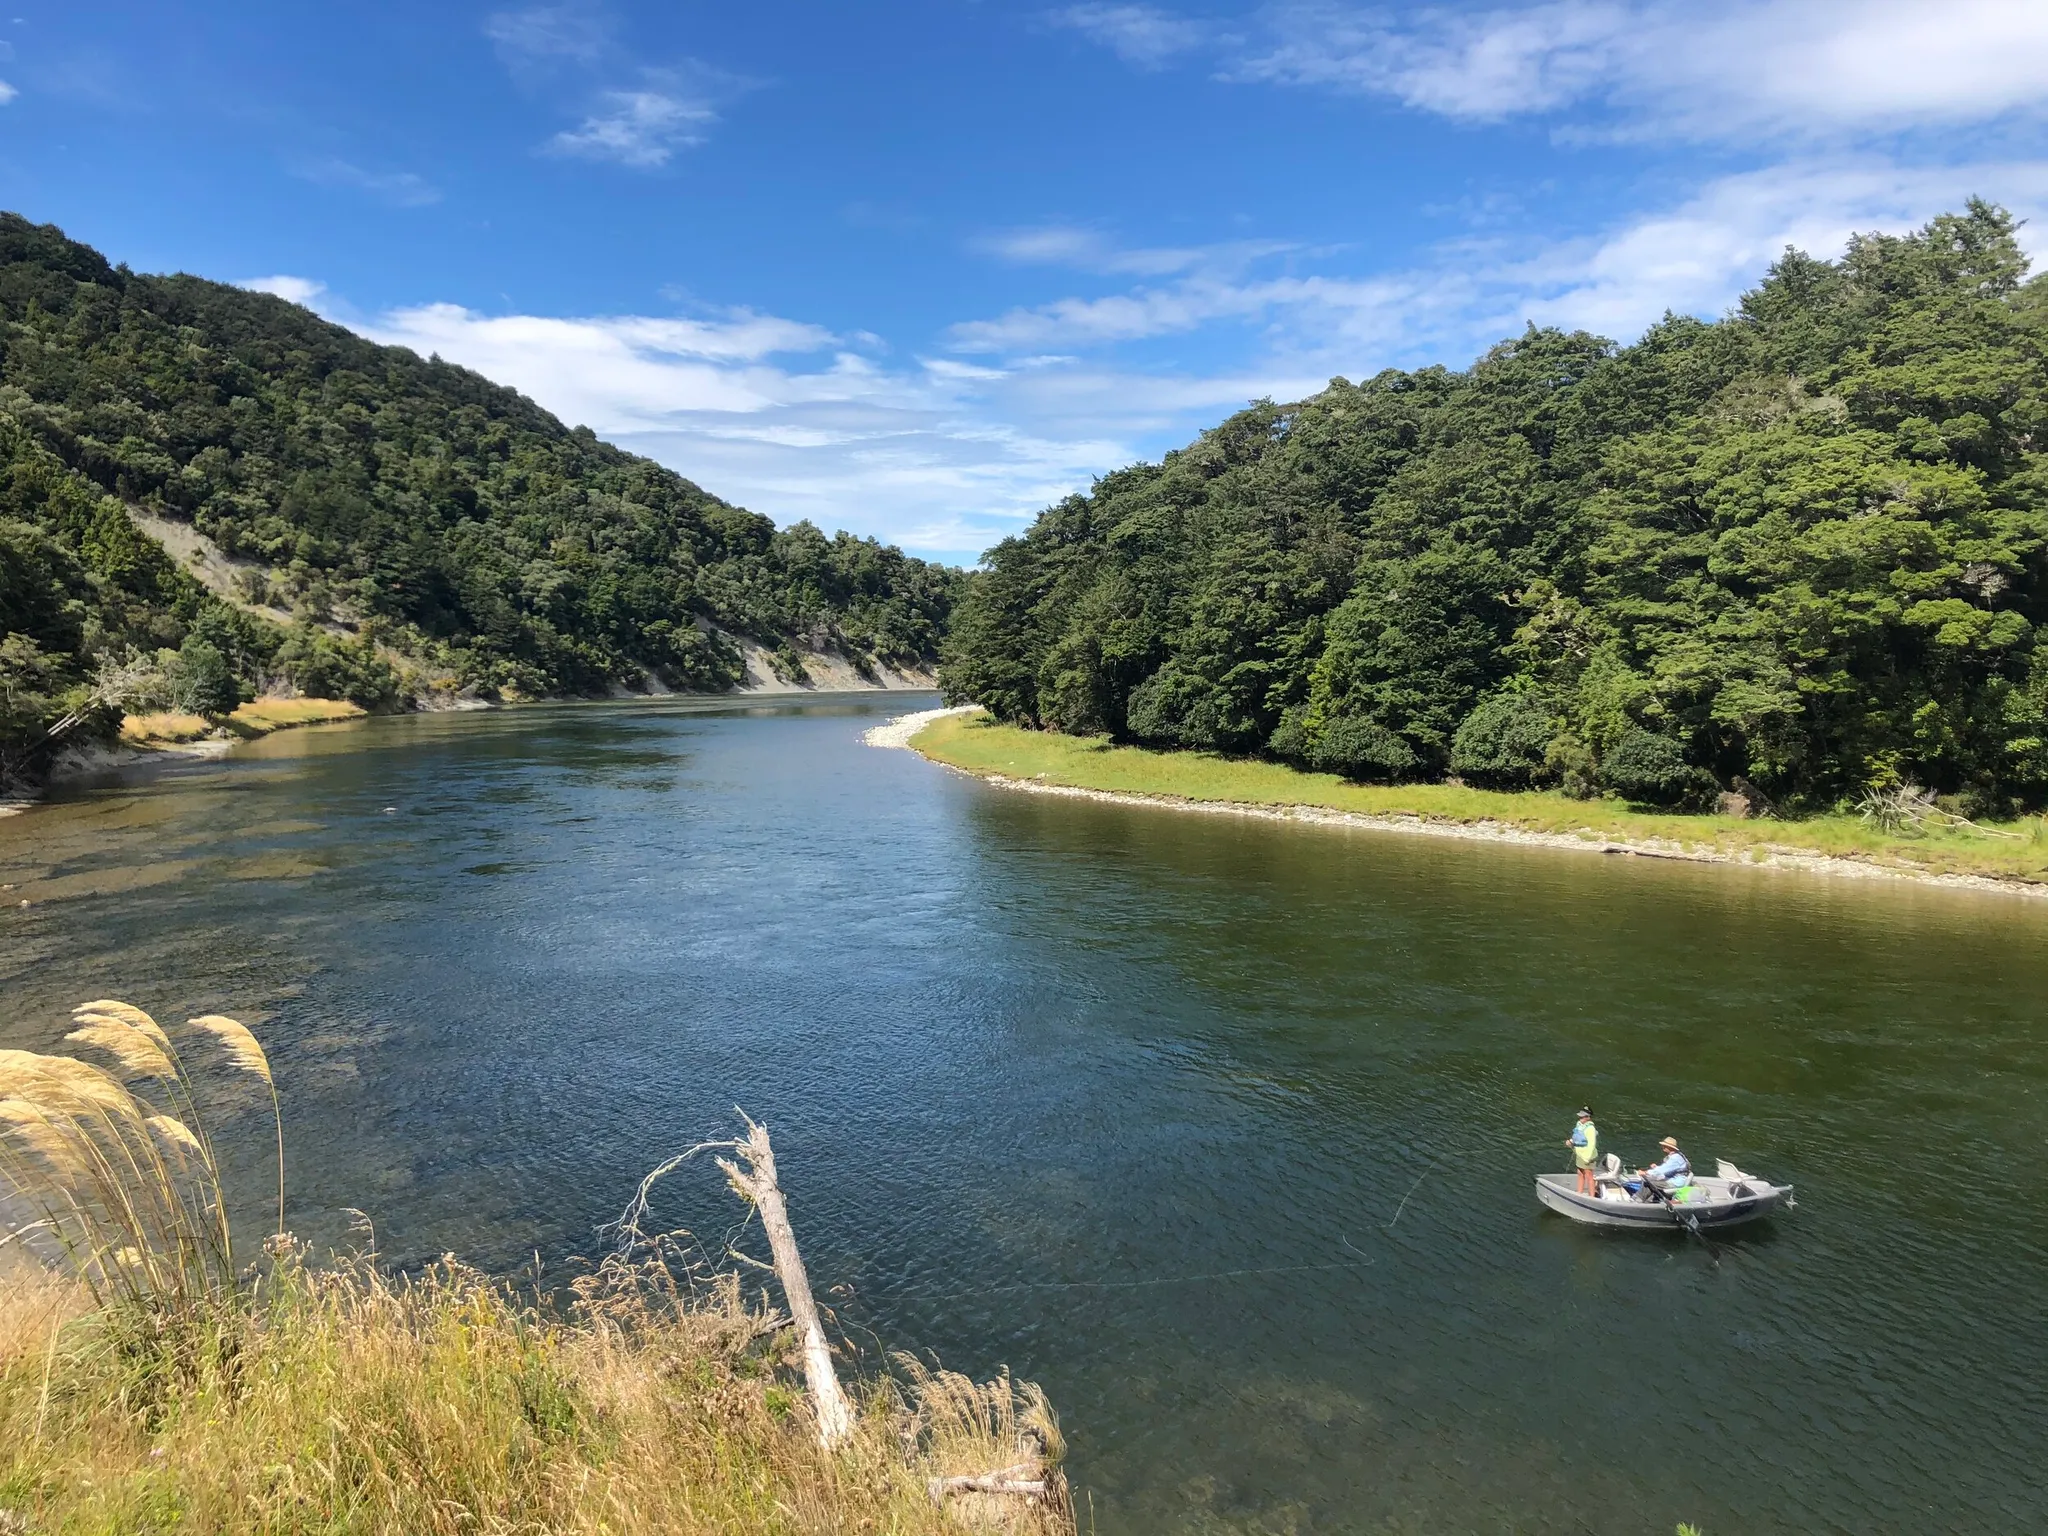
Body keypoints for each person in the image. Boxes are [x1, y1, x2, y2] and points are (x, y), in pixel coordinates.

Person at [1625, 1136, 1692, 1200]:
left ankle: (1637, 1200)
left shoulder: (1675, 1158)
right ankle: (1652, 1199)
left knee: (1650, 1183)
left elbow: (1661, 1170)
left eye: (1665, 1146)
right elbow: (1668, 1169)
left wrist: (1645, 1172)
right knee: (1652, 1179)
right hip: (1672, 1179)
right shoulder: (1676, 1156)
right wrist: (1656, 1168)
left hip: (1676, 1182)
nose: (1663, 1147)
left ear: (1670, 1147)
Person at [1566, 1108, 1599, 1195]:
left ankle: (1592, 1196)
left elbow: (1591, 1144)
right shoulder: (1579, 1124)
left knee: (1589, 1176)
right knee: (1580, 1173)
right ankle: (1579, 1192)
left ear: (1588, 1117)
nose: (1580, 1118)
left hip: (1588, 1156)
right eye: (1580, 1116)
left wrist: (1587, 1158)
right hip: (1579, 1154)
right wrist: (1571, 1141)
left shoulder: (1590, 1128)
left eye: (1582, 1116)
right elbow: (1576, 1136)